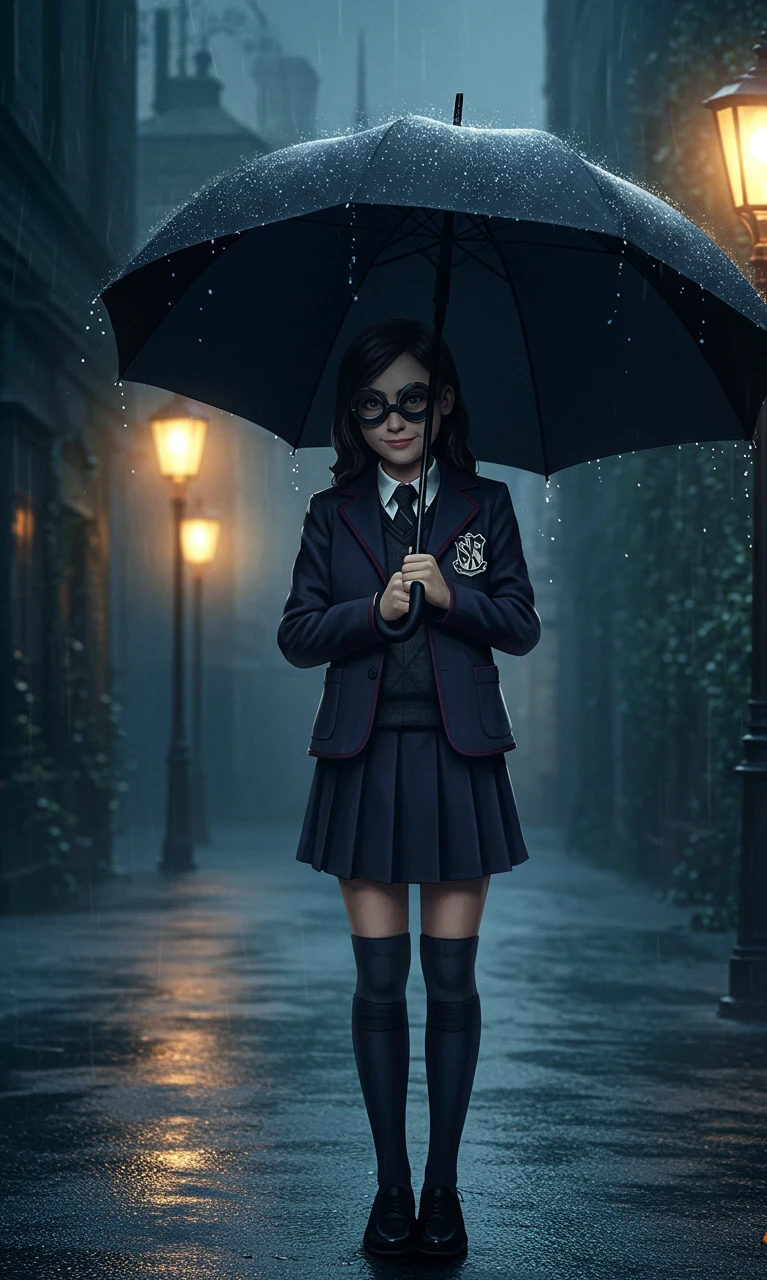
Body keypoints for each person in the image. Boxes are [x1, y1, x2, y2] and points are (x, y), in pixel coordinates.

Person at [277, 316, 541, 1259]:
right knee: (380, 983)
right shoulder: (330, 513)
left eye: (413, 400)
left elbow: (519, 624)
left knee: (451, 980)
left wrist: (446, 596)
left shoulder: (485, 504)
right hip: (363, 761)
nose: (395, 419)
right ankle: (390, 1187)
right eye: (374, 404)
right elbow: (297, 633)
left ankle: (443, 1191)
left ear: (445, 403)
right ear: (355, 416)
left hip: (460, 760)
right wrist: (372, 608)